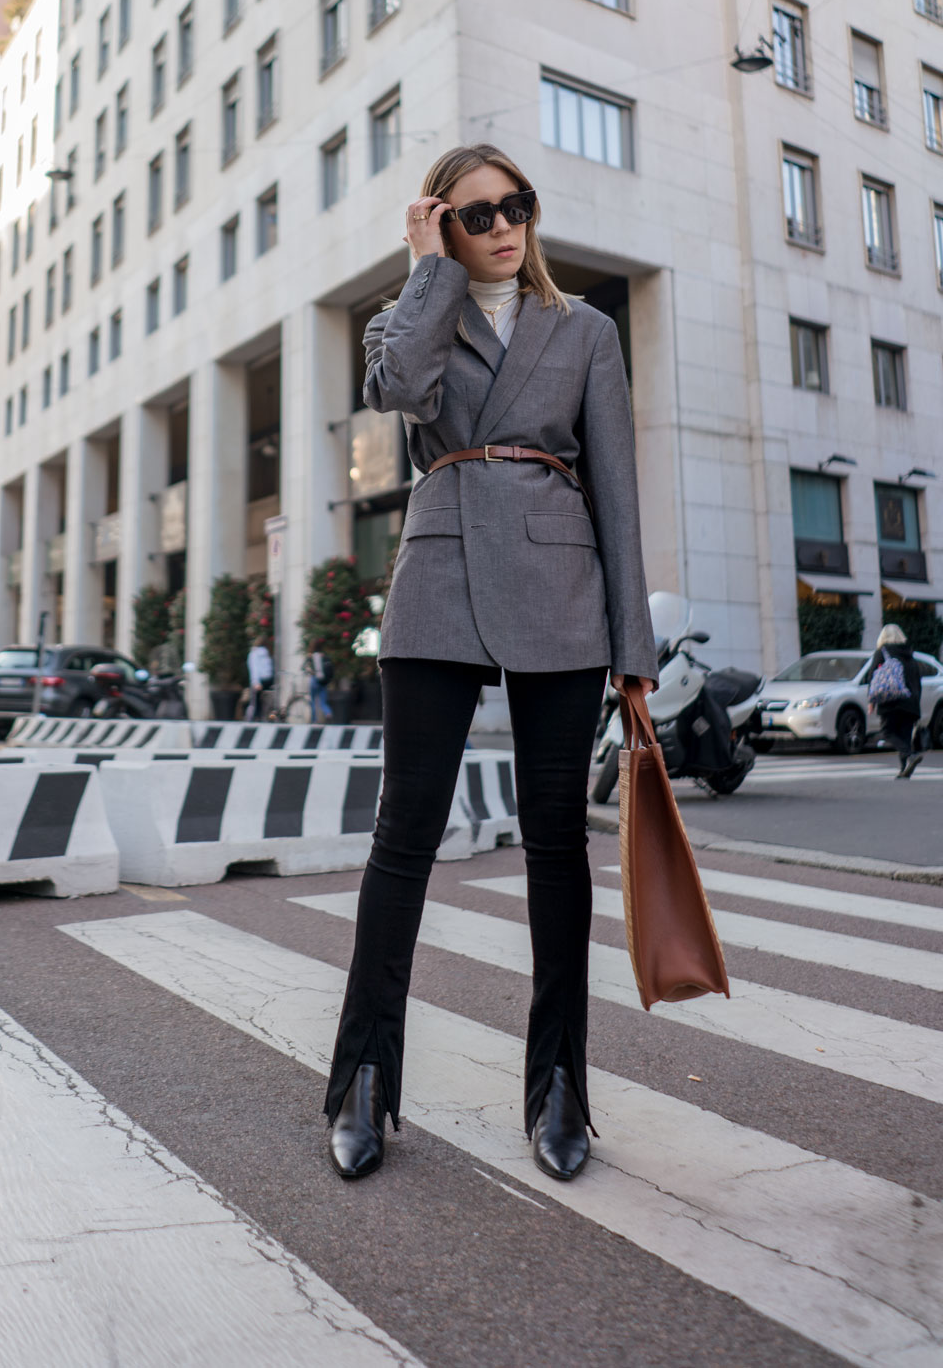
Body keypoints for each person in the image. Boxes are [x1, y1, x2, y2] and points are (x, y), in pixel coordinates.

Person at [324, 143, 657, 1186]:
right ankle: (365, 1081)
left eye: (517, 205)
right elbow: (399, 389)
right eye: (477, 213)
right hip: (436, 576)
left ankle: (559, 1086)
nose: (504, 225)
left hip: (559, 590)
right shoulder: (412, 313)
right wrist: (425, 267)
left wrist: (631, 647)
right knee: (403, 835)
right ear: (441, 223)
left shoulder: (587, 330)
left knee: (557, 840)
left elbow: (615, 486)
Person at [867, 623, 925, 777]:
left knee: (887, 732)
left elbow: (873, 675)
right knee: (904, 735)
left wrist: (871, 701)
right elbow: (917, 681)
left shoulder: (883, 652)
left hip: (891, 700)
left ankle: (910, 756)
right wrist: (916, 702)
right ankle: (904, 769)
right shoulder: (910, 654)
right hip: (910, 701)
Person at [245, 639, 274, 720]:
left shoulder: (254, 653)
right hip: (269, 679)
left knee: (256, 702)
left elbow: (254, 668)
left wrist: (255, 682)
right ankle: (267, 716)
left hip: (260, 681)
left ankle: (256, 717)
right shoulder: (268, 653)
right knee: (267, 700)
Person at [308, 648, 334, 722]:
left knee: (313, 700)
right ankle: (328, 713)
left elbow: (307, 668)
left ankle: (314, 720)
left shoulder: (312, 656)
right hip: (323, 681)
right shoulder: (324, 656)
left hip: (315, 680)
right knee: (323, 701)